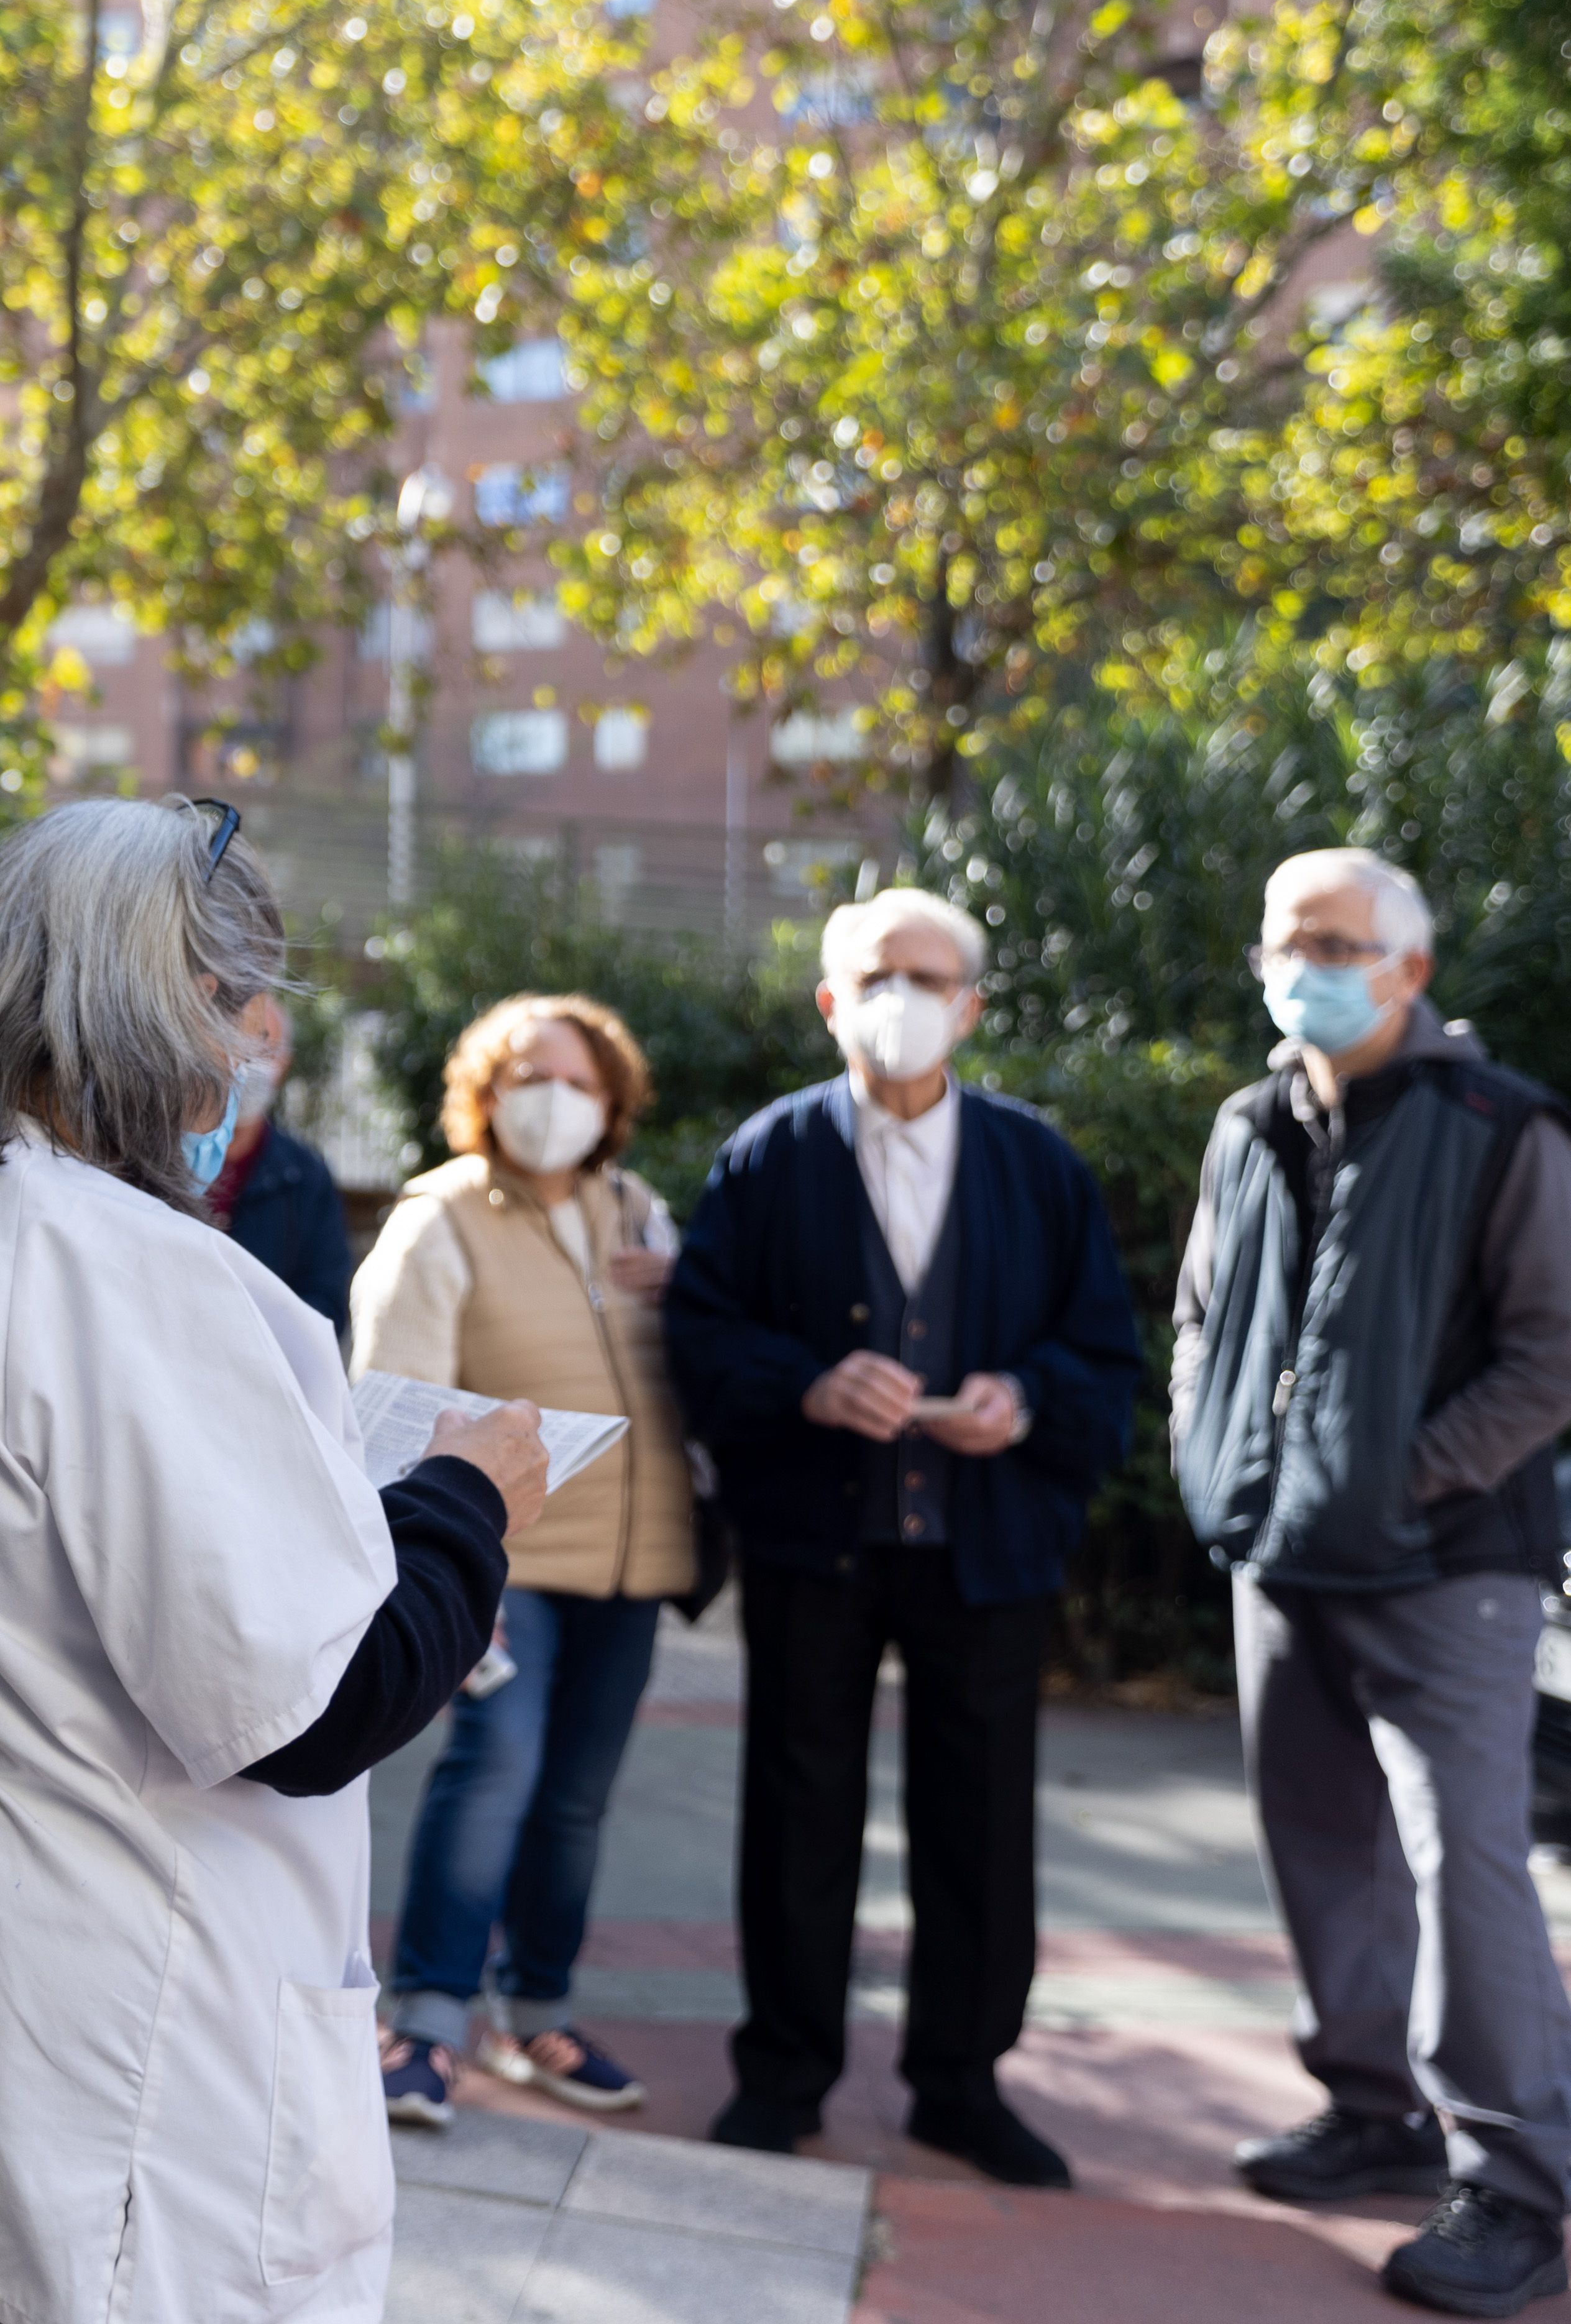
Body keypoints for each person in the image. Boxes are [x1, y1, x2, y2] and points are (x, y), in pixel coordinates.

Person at [0, 795, 547, 2323]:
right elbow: (315, 1705)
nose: (251, 1055)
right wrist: (463, 1498)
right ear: (157, 1005)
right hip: (101, 2087)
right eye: (243, 1010)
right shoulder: (123, 1270)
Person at [664, 889, 1139, 2187]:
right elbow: (701, 1335)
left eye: (932, 977)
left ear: (972, 1006)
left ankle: (962, 2082)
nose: (904, 998)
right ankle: (784, 2072)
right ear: (830, 999)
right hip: (817, 1538)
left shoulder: (1037, 1163)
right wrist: (807, 1385)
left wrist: (1026, 1395)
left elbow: (1103, 1347)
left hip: (984, 1544)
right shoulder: (767, 1156)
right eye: (878, 974)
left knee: (981, 1820)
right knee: (797, 1805)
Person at [1173, 849, 1571, 2320]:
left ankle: (1518, 2184)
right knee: (1317, 1842)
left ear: (1409, 966)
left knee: (1467, 1863)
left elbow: (1552, 1354)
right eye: (1285, 939)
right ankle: (1371, 2109)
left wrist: (1404, 1480)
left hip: (1446, 1565)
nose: (1304, 965)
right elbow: (1207, 1314)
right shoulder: (1251, 1118)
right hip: (1282, 1552)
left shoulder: (1499, 1123)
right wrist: (1215, 1460)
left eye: (1337, 941)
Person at [351, 994, 695, 2128]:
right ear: (484, 1096)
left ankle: (535, 2009)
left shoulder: (638, 1212)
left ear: (614, 1101)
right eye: (527, 1076)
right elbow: (390, 1399)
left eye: (580, 1080)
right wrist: (435, 1555)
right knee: (494, 1768)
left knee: (577, 1799)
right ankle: (430, 2023)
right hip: (507, 1557)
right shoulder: (442, 1216)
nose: (555, 1100)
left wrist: (684, 1297)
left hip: (632, 1562)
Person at [211, 992, 357, 1342]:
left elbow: (327, 1301)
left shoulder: (305, 1175)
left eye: (265, 1050)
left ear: (285, 1064)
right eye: (238, 1047)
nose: (248, 1064)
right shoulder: (164, 1159)